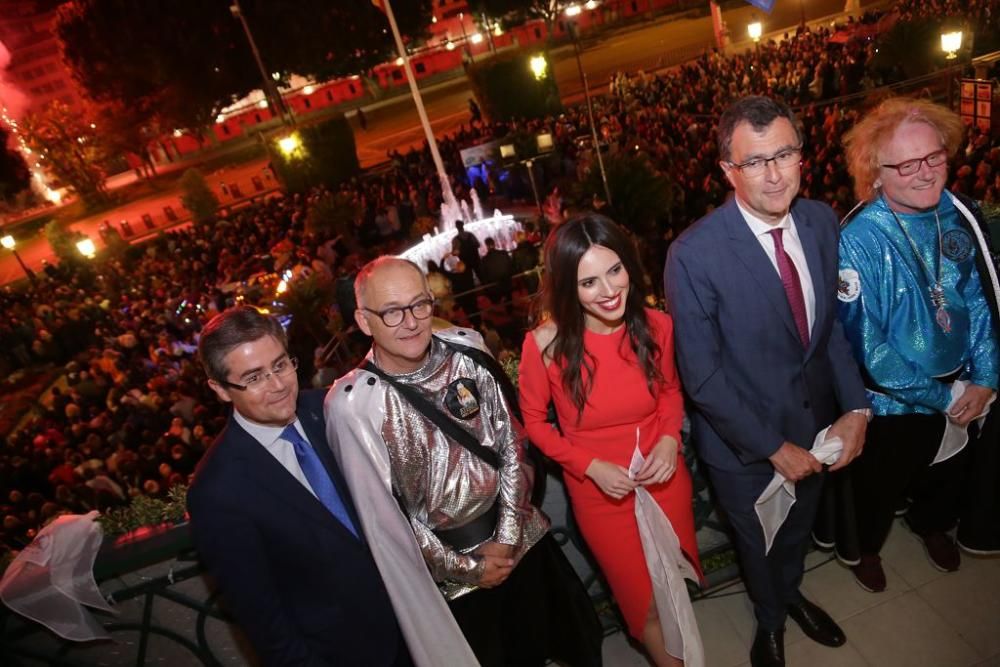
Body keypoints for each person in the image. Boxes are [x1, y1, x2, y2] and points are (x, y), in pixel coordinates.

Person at [664, 96, 870, 667]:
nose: (774, 174)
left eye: (784, 154)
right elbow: (702, 378)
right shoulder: (693, 255)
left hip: (817, 430)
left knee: (799, 531)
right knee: (757, 546)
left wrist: (856, 408)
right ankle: (771, 619)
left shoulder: (822, 220)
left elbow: (828, 331)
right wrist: (773, 448)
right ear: (728, 171)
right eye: (754, 162)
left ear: (803, 156)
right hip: (745, 450)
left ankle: (790, 594)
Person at [324, 257, 602, 667]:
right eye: (392, 312)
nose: (411, 321)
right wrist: (468, 569)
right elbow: (384, 521)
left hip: (521, 537)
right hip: (453, 577)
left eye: (420, 304)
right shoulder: (354, 405)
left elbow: (512, 441)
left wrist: (506, 537)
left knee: (577, 641)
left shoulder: (467, 349)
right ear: (364, 321)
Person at [518, 214, 702, 667]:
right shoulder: (546, 343)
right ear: (566, 287)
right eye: (588, 282)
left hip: (663, 479)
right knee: (645, 601)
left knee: (671, 583)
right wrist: (589, 466)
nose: (608, 290)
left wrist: (668, 440)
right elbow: (535, 425)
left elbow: (671, 393)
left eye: (615, 271)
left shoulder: (657, 325)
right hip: (601, 494)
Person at [834, 97, 999, 591]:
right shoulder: (857, 239)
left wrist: (987, 377)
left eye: (934, 157)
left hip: (964, 381)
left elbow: (980, 299)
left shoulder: (958, 213)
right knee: (879, 486)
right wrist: (940, 396)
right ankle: (865, 547)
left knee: (949, 472)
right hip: (893, 403)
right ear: (876, 172)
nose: (925, 173)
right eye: (907, 163)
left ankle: (930, 524)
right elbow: (869, 346)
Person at [186, 306, 410, 666]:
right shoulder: (217, 492)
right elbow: (267, 625)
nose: (277, 386)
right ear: (221, 390)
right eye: (254, 378)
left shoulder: (331, 408)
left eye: (280, 365)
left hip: (419, 624)